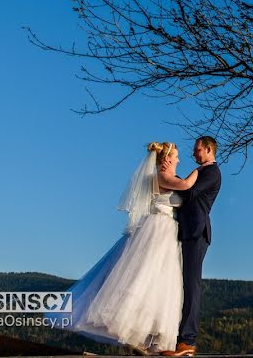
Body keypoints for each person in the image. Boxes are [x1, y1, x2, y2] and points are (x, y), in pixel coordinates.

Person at [58, 142, 197, 354]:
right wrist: (202, 170)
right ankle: (137, 334)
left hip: (166, 231)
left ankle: (148, 337)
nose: (179, 160)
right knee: (144, 279)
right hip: (159, 230)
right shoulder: (161, 177)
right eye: (176, 156)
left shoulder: (164, 178)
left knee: (158, 284)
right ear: (167, 159)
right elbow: (186, 186)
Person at [162, 136, 222, 357]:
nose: (194, 154)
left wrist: (169, 176)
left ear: (208, 149)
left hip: (197, 232)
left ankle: (187, 340)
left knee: (192, 284)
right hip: (186, 231)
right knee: (182, 283)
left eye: (197, 150)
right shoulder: (202, 171)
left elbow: (190, 192)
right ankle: (175, 336)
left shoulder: (212, 172)